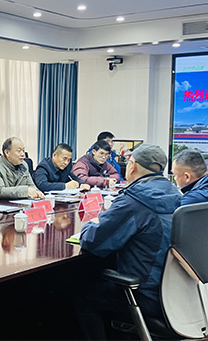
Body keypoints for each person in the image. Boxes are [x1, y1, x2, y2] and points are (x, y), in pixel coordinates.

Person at [76, 144, 181, 339]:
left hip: (144, 293)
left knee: (82, 297)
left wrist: (90, 225)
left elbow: (93, 242)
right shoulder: (176, 193)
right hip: (176, 290)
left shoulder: (135, 200)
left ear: (132, 166)